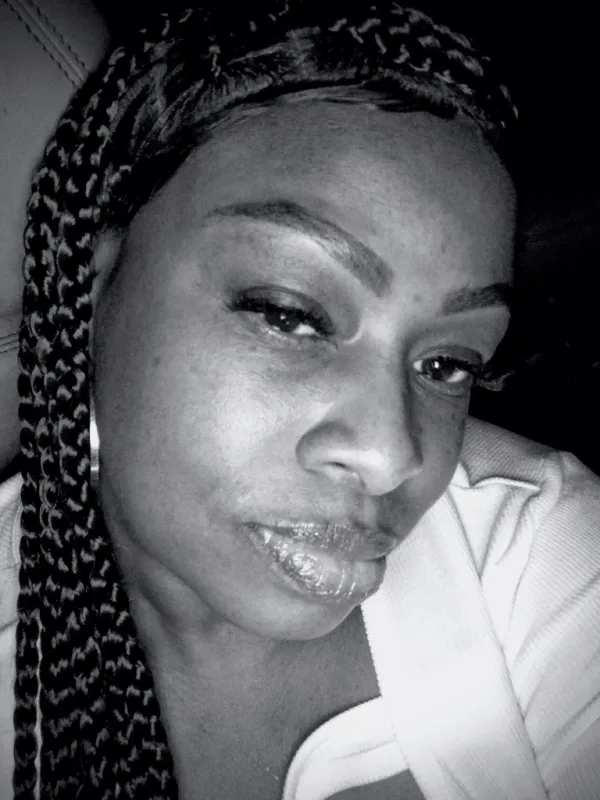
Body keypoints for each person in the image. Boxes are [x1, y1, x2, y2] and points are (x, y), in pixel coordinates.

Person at [1, 2, 599, 798]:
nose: (392, 455)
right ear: (92, 279)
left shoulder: (548, 564)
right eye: (290, 316)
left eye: (448, 364)